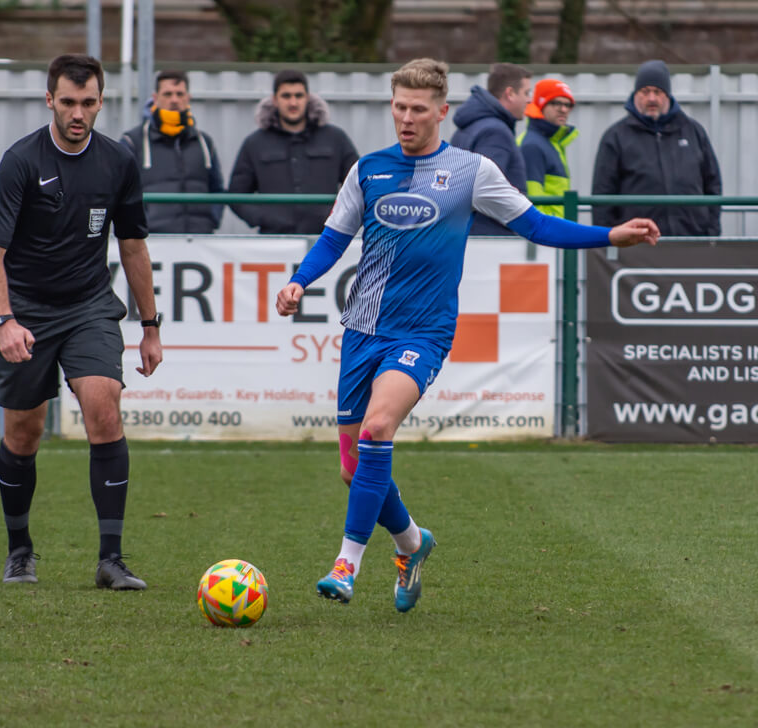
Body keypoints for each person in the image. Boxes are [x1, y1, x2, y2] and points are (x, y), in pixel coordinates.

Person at [274, 59, 659, 614]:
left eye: (418, 110)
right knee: (353, 468)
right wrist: (298, 281)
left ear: (441, 112)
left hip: (424, 331)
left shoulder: (470, 170)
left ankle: (346, 564)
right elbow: (333, 241)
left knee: (380, 426)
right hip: (362, 330)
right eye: (399, 107)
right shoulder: (367, 170)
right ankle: (411, 543)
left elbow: (537, 224)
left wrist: (610, 235)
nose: (406, 119)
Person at [0, 54, 162, 591]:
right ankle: (19, 550)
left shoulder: (118, 161)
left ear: (100, 102)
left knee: (104, 407)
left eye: (88, 102)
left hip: (88, 307)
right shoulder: (21, 161)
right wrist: (5, 320)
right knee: (24, 432)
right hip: (25, 311)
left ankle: (111, 559)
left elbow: (132, 245)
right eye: (68, 102)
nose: (78, 113)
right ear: (50, 101)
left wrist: (150, 326)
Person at [591, 60, 723, 236]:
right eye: (645, 92)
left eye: (658, 92)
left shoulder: (694, 132)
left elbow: (713, 185)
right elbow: (602, 194)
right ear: (635, 95)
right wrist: (608, 239)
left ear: (667, 96)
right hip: (637, 243)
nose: (652, 98)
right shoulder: (616, 136)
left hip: (691, 240)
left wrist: (711, 232)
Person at [228, 69, 359, 234]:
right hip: (274, 242)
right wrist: (263, 218)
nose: (293, 103)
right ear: (275, 100)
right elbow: (236, 195)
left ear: (308, 98)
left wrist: (338, 218)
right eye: (286, 96)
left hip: (325, 241)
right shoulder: (255, 143)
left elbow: (359, 183)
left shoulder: (335, 138)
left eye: (298, 96)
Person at [119, 70, 224, 233]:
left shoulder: (204, 141)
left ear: (188, 98)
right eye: (167, 94)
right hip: (152, 240)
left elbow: (217, 189)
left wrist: (212, 220)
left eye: (179, 94)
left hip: (200, 240)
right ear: (155, 98)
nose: (174, 100)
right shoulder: (133, 141)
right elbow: (120, 191)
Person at [449, 62, 531, 235]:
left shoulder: (471, 126)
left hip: (469, 233)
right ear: (510, 93)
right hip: (490, 238)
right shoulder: (495, 132)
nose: (529, 100)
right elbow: (489, 193)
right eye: (526, 93)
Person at [518, 79, 577, 218]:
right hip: (547, 234)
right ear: (540, 104)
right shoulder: (532, 146)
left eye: (568, 105)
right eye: (556, 103)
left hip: (554, 230)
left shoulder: (552, 142)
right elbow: (533, 202)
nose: (563, 109)